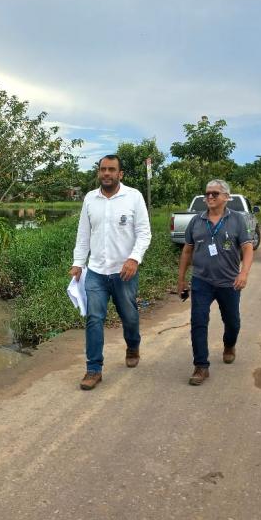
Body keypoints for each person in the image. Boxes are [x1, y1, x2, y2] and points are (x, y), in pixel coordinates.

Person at [70, 155, 152, 391]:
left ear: (120, 174)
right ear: (98, 173)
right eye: (103, 169)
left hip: (124, 272)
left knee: (130, 317)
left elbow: (144, 233)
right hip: (96, 271)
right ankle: (93, 369)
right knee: (94, 319)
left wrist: (134, 258)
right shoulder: (90, 199)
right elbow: (83, 235)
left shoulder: (133, 197)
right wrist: (78, 262)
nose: (106, 173)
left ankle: (133, 345)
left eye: (111, 170)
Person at [177, 179, 254, 386]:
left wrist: (243, 273)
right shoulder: (196, 221)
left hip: (229, 282)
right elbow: (187, 250)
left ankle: (229, 345)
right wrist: (182, 279)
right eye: (207, 193)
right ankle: (201, 366)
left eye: (215, 194)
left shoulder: (237, 219)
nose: (209, 197)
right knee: (198, 322)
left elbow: (247, 248)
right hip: (201, 281)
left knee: (232, 321)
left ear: (226, 197)